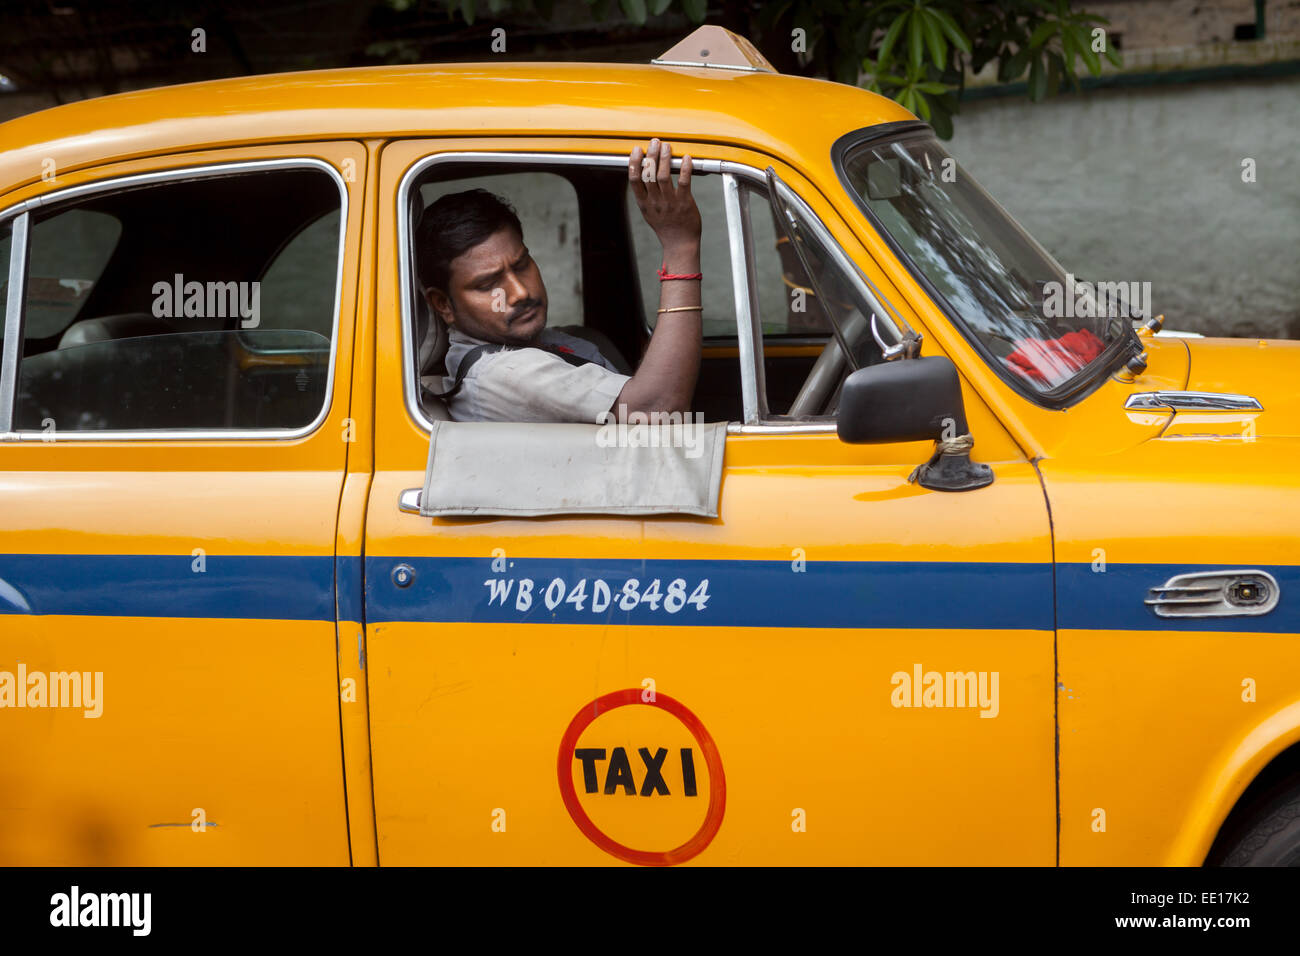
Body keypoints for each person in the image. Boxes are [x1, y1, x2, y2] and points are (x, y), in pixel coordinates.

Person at [415, 138, 702, 423]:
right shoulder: (502, 374)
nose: (519, 292)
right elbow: (656, 410)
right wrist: (681, 247)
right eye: (488, 285)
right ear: (443, 305)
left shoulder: (564, 341)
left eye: (522, 264)